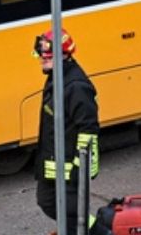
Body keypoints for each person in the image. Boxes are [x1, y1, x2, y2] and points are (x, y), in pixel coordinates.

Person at [33, 29, 99, 232]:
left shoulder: (76, 86)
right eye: (41, 56)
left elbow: (88, 128)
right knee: (49, 202)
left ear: (63, 55)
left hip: (70, 166)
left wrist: (80, 166)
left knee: (70, 211)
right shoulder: (57, 78)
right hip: (54, 162)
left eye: (47, 57)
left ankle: (100, 231)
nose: (42, 60)